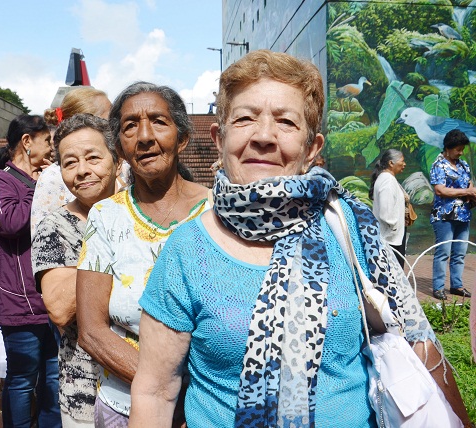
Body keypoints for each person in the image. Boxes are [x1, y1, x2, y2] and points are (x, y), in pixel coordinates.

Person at [129, 50, 470, 428]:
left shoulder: (351, 227)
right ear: (219, 137)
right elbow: (156, 392)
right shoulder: (186, 252)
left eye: (286, 122)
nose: (263, 137)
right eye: (244, 118)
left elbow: (416, 339)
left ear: (311, 149)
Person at [76, 82, 209, 427]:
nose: (145, 136)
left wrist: (193, 397)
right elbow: (91, 331)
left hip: (206, 411)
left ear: (181, 139)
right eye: (130, 126)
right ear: (119, 147)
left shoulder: (218, 212)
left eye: (159, 122)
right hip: (123, 409)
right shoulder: (106, 216)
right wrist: (164, 390)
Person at [32, 114, 121, 427]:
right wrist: (109, 230)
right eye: (69, 163)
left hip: (148, 382)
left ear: (117, 159)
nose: (82, 170)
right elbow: (58, 307)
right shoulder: (54, 227)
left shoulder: (144, 212)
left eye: (93, 157)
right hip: (85, 389)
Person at [0, 114, 61, 427]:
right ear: (27, 143)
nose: (52, 149)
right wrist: (43, 187)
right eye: (47, 141)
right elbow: (12, 222)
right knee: (22, 380)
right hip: (21, 300)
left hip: (53, 297)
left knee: (54, 380)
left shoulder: (50, 177)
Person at [31, 87, 114, 237]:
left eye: (93, 158)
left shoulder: (123, 165)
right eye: (111, 118)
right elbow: (42, 237)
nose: (82, 171)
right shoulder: (52, 177)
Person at [429, 129, 476, 300]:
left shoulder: (464, 165)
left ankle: (457, 285)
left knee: (460, 253)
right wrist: (467, 191)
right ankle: (438, 287)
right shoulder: (438, 165)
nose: (460, 152)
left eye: (462, 149)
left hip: (463, 215)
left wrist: (472, 195)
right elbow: (440, 190)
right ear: (448, 148)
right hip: (444, 216)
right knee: (443, 252)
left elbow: (470, 183)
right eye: (457, 149)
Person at [369, 149, 408, 268]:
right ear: (391, 163)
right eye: (402, 161)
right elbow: (386, 214)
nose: (404, 164)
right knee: (394, 273)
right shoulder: (388, 181)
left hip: (390, 237)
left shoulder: (386, 178)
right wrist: (394, 226)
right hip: (390, 239)